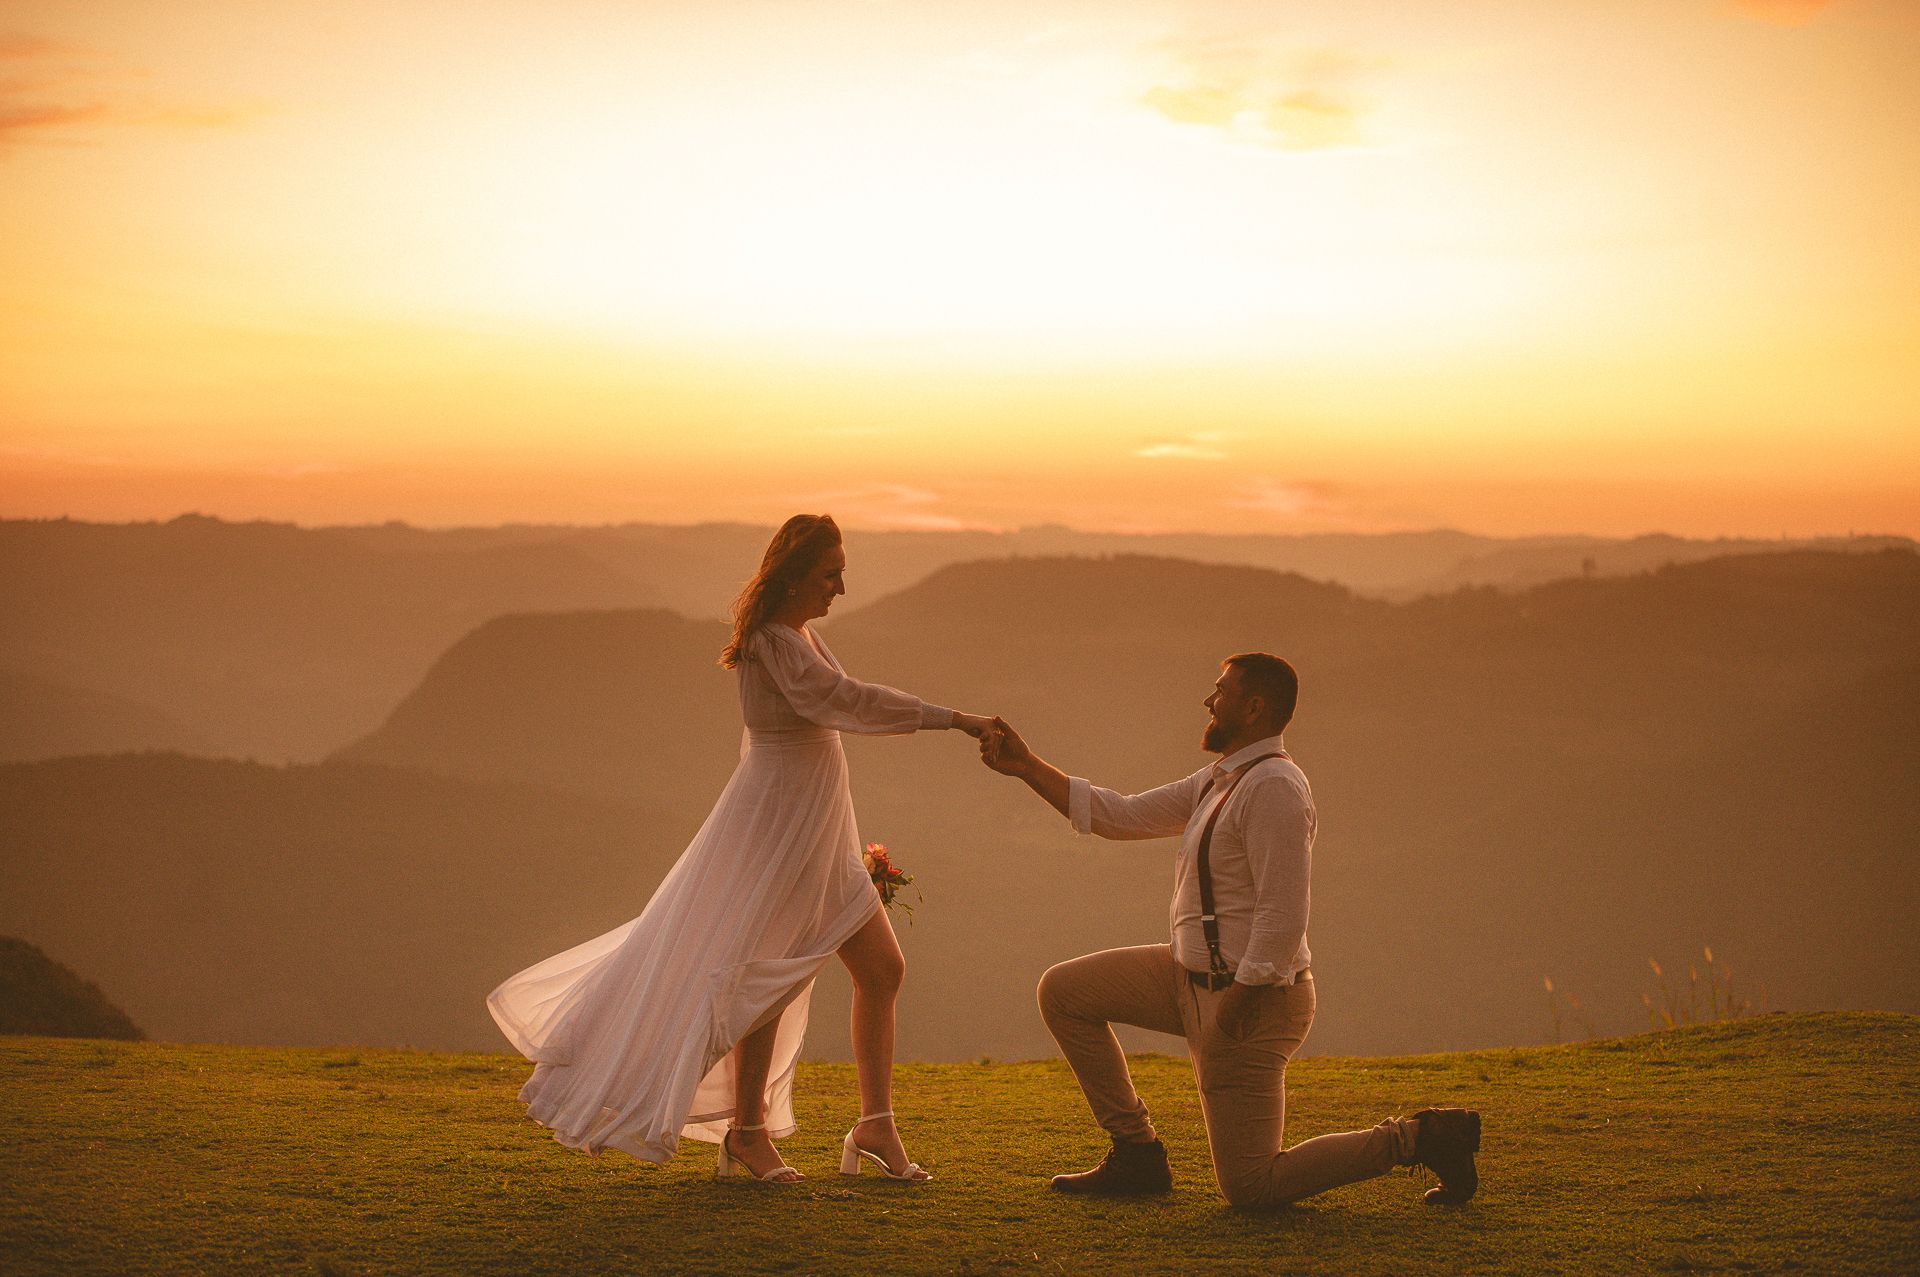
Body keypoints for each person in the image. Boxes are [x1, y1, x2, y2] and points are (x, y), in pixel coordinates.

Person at [488, 514, 993, 1184]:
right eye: (830, 574)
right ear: (793, 575)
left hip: (819, 835)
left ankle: (873, 1126)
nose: (840, 587)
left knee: (881, 969)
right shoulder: (770, 641)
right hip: (780, 833)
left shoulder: (800, 636)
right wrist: (953, 719)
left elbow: (831, 709)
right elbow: (844, 701)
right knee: (766, 981)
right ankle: (748, 1135)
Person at [977, 653, 1481, 1208]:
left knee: (1252, 1187)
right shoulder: (1220, 780)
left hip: (1252, 1000)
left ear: (1254, 707)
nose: (1209, 701)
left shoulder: (1275, 788)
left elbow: (1282, 914)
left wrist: (1235, 1008)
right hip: (1184, 978)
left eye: (1221, 691)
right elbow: (1115, 815)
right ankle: (1137, 1153)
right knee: (1065, 992)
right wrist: (1026, 766)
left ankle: (1421, 1137)